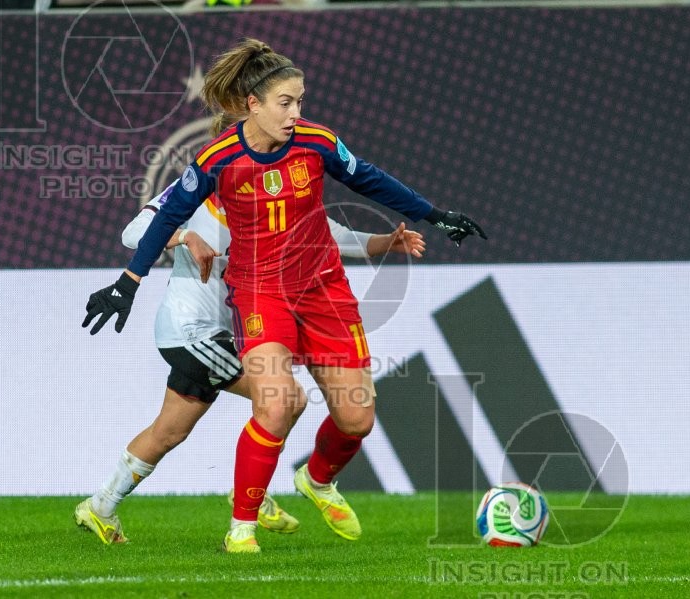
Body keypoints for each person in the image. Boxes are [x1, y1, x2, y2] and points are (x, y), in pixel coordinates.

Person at [82, 38, 486, 553]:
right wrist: (132, 280)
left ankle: (307, 481)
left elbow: (364, 187)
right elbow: (154, 222)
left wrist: (432, 216)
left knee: (351, 418)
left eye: (300, 102)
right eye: (286, 103)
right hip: (242, 304)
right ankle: (243, 523)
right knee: (280, 401)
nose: (296, 113)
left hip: (318, 293)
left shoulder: (316, 144)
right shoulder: (216, 164)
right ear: (252, 106)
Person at [75, 151, 426, 546]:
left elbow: (334, 236)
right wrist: (185, 236)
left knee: (168, 432)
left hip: (221, 334)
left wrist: (386, 244)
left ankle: (100, 506)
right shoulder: (197, 191)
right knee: (285, 398)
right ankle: (251, 498)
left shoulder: (276, 200)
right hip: (193, 332)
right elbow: (134, 231)